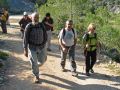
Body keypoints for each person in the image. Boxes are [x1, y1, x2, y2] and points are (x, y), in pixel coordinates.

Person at [23, 12, 47, 83]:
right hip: (32, 47)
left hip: (41, 47)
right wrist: (25, 49)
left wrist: (45, 44)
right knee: (34, 62)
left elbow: (45, 35)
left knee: (43, 61)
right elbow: (25, 38)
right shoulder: (29, 26)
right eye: (34, 17)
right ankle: (36, 75)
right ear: (31, 18)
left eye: (37, 17)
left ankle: (36, 66)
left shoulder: (41, 25)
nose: (36, 19)